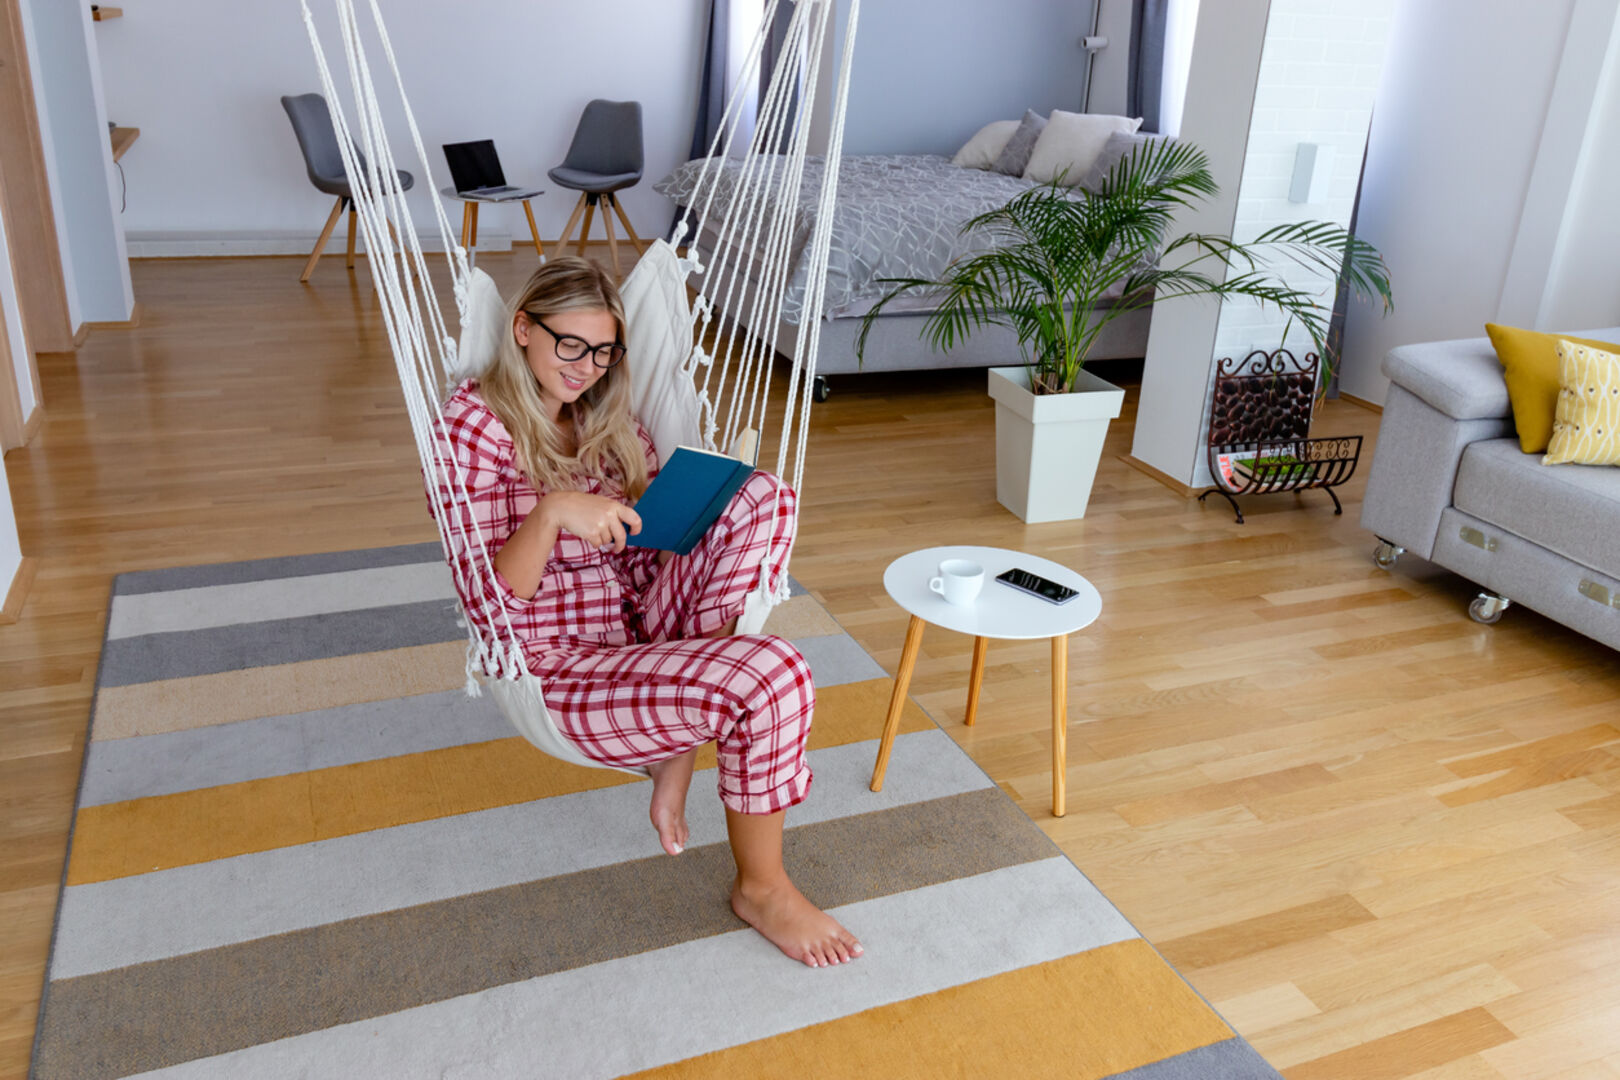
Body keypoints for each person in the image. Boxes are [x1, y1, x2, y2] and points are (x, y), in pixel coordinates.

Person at [428, 257, 861, 969]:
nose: (587, 367)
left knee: (762, 494)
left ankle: (676, 746)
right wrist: (555, 512)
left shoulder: (609, 417)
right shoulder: (474, 427)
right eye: (571, 345)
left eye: (603, 351)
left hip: (636, 629)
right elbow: (488, 607)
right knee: (770, 675)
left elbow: (640, 554)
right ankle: (762, 887)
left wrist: (680, 524)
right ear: (522, 330)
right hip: (553, 667)